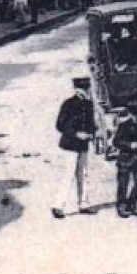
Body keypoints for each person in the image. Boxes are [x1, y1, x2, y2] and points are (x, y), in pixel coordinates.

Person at [52, 76, 96, 219]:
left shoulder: (89, 104)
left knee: (83, 174)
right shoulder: (68, 104)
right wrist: (76, 134)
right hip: (70, 145)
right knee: (68, 175)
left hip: (83, 145)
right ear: (76, 89)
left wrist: (93, 133)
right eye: (83, 89)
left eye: (86, 89)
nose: (85, 91)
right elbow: (60, 125)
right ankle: (58, 206)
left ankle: (84, 204)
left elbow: (90, 123)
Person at [111, 106, 137, 218]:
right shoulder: (124, 125)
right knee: (123, 185)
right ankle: (121, 206)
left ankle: (132, 203)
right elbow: (116, 141)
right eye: (134, 115)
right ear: (130, 114)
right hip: (125, 159)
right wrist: (130, 145)